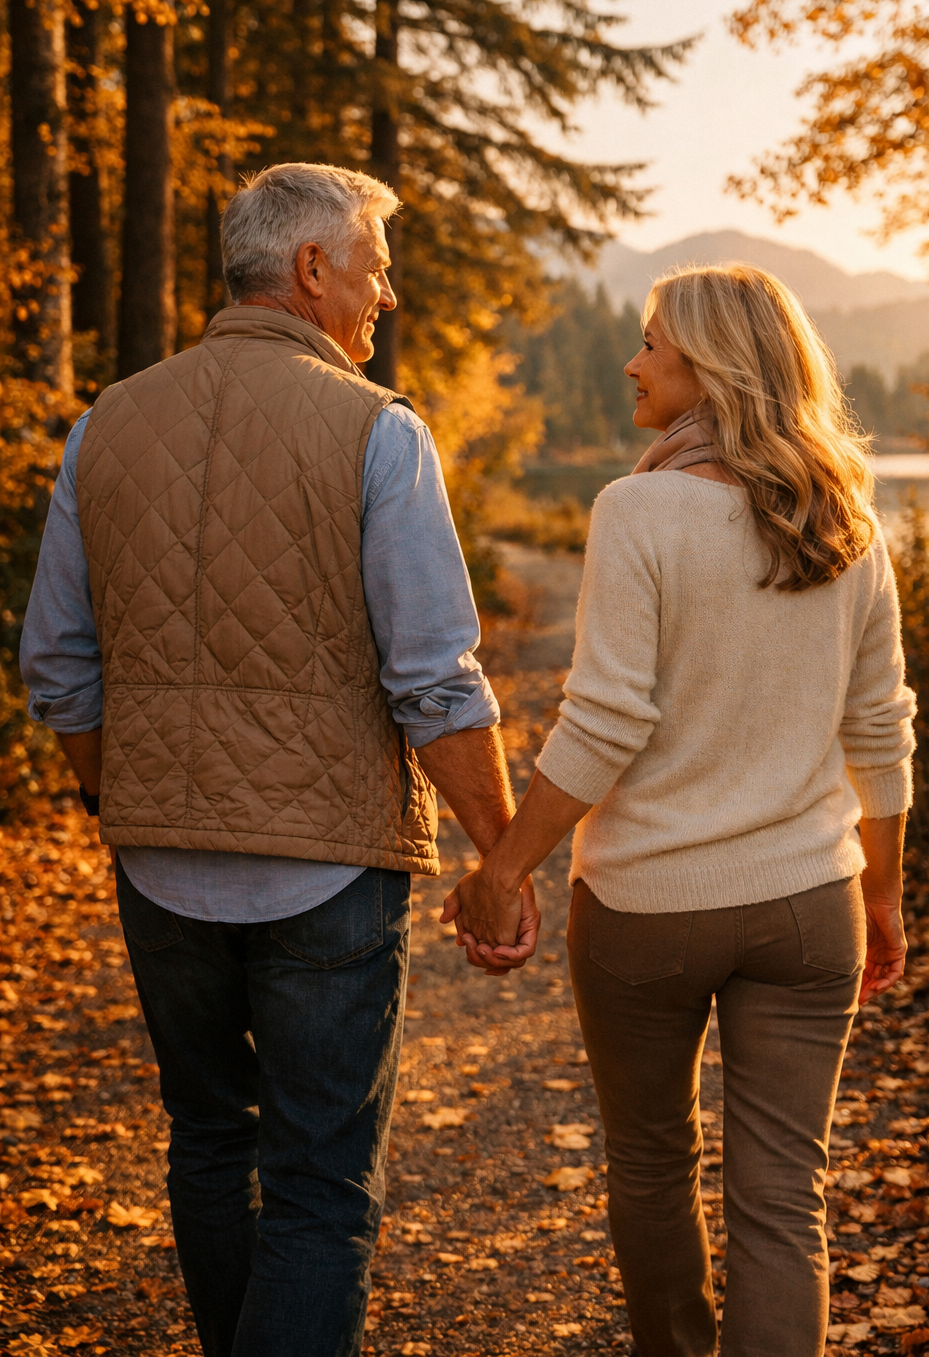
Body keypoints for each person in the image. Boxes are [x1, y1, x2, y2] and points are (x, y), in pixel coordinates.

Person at [20, 162, 536, 1357]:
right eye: (375, 267)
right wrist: (501, 859)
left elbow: (57, 661)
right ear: (312, 269)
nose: (386, 297)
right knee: (315, 1180)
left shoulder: (105, 422)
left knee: (207, 1144)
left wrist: (118, 793)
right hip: (328, 871)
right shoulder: (378, 432)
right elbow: (433, 678)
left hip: (157, 865)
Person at [443, 263, 915, 1357]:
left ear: (707, 365)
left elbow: (607, 722)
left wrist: (506, 866)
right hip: (810, 907)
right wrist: (881, 892)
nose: (632, 360)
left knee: (653, 1164)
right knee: (783, 1196)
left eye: (652, 342)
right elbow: (879, 728)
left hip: (647, 912)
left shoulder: (638, 507)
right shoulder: (849, 518)